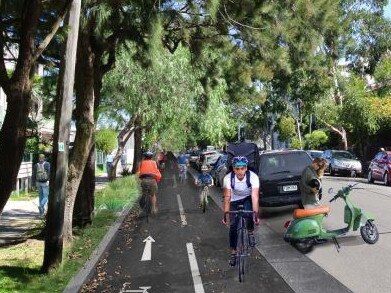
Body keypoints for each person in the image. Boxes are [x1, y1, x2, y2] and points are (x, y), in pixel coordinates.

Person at [221, 156, 260, 267]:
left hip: (247, 198)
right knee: (233, 226)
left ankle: (250, 232)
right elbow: (227, 198)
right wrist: (225, 216)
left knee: (249, 214)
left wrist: (255, 215)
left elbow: (255, 197)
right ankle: (233, 253)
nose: (240, 171)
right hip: (233, 200)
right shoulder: (228, 179)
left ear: (246, 168)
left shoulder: (253, 177)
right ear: (233, 169)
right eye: (237, 168)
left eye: (242, 168)